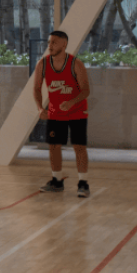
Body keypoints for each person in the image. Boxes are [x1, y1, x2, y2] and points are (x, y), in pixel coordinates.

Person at [35, 30, 92, 198]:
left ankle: (83, 183)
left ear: (64, 44)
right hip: (55, 113)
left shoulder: (76, 64)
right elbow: (36, 88)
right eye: (49, 43)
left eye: (53, 42)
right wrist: (40, 108)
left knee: (79, 147)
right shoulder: (43, 64)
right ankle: (57, 181)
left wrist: (72, 102)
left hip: (77, 112)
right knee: (54, 146)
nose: (49, 46)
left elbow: (86, 90)